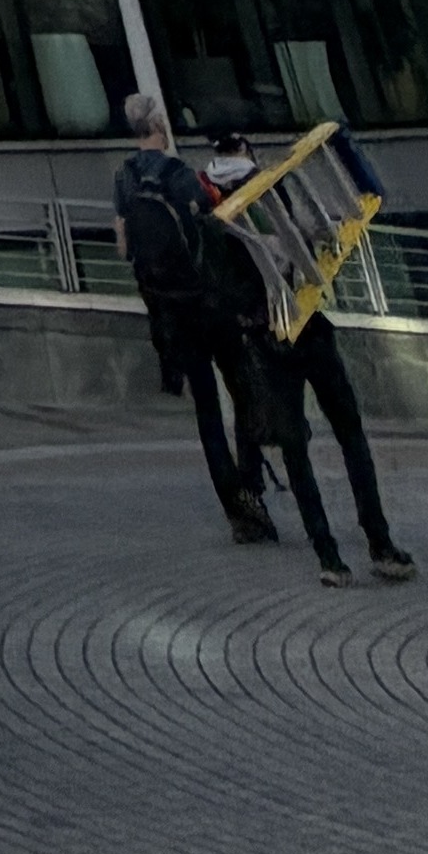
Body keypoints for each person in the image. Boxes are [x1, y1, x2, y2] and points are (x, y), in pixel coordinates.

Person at [199, 125, 414, 583]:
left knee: (295, 449)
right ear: (245, 146)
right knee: (349, 432)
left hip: (261, 336)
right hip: (306, 323)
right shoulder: (273, 182)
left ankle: (328, 557)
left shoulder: (209, 201)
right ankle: (379, 543)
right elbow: (317, 232)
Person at [114, 93, 277, 545]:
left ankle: (236, 509)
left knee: (206, 409)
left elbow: (124, 248)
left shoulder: (124, 177)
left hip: (170, 309)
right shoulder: (182, 176)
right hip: (207, 303)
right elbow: (214, 231)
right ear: (161, 125)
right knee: (243, 388)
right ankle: (252, 482)